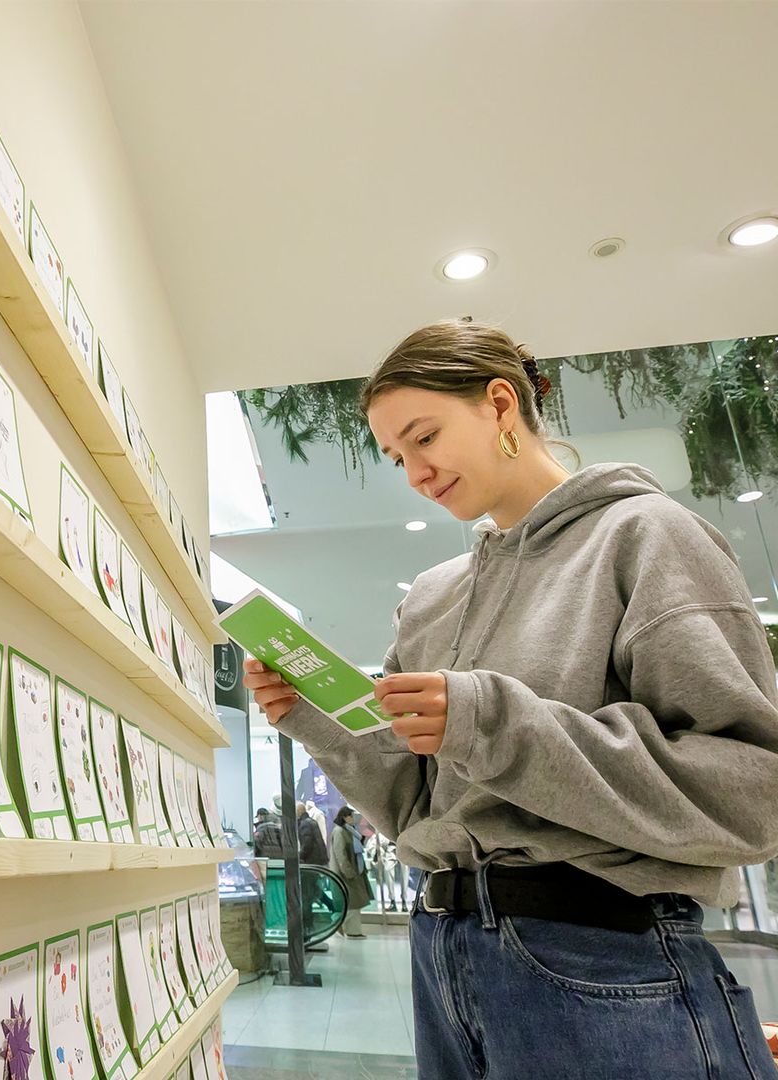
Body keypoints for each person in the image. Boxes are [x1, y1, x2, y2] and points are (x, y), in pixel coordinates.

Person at [243, 320, 778, 1079]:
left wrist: (491, 720)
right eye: (397, 457)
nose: (415, 474)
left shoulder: (646, 537)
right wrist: (314, 720)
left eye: (424, 437)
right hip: (443, 953)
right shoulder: (431, 597)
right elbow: (414, 806)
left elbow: (753, 797)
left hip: (604, 955)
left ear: (499, 404)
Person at [329, 805, 372, 937]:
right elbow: (340, 854)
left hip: (352, 873)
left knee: (353, 904)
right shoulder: (340, 832)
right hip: (345, 875)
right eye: (351, 816)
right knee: (352, 903)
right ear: (345, 817)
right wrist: (348, 872)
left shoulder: (349, 831)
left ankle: (345, 927)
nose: (354, 819)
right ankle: (349, 929)